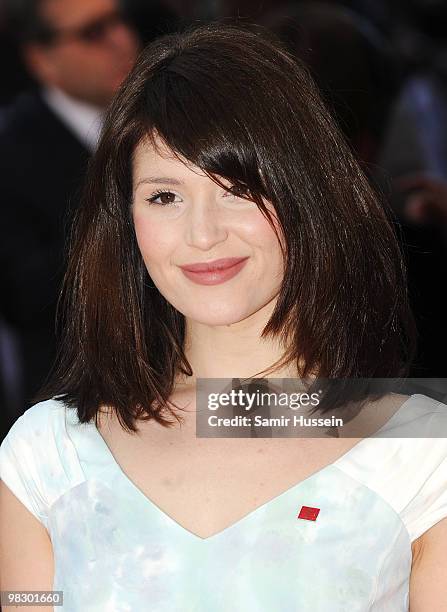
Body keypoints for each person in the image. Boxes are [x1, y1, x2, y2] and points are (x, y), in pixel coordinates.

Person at [1, 21, 446, 611]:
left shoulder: (417, 450)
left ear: (307, 195)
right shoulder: (49, 454)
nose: (203, 234)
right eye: (165, 196)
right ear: (126, 222)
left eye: (236, 188)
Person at [0, 0, 140, 431]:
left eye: (120, 19)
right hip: (79, 406)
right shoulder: (11, 153)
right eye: (93, 32)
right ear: (41, 60)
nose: (122, 40)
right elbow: (24, 293)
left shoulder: (165, 117)